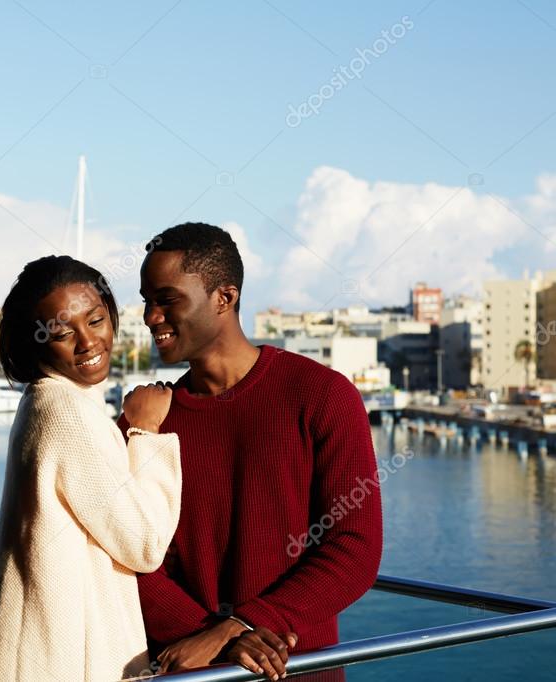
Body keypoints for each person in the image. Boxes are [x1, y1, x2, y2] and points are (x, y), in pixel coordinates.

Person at [128, 223, 383, 680]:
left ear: (224, 298)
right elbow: (128, 556)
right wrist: (212, 639)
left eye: (167, 299)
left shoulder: (322, 395)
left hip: (293, 670)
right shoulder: (147, 423)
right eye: (147, 300)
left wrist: (239, 627)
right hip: (188, 669)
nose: (150, 317)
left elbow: (354, 547)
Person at [0, 255, 182, 682]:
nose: (88, 342)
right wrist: (145, 430)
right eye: (63, 333)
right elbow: (143, 542)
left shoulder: (42, 401)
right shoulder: (67, 413)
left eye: (96, 320)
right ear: (36, 343)